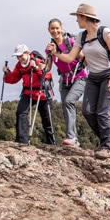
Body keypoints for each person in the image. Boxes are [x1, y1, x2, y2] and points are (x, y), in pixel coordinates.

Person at [47, 3, 110, 159]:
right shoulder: (81, 37)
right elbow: (69, 58)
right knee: (87, 111)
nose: (76, 21)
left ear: (85, 17)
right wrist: (56, 53)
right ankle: (107, 138)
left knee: (102, 111)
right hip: (93, 77)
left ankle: (108, 148)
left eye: (78, 17)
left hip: (108, 74)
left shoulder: (105, 33)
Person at [45, 18, 87, 147]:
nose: (55, 31)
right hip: (64, 80)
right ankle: (73, 139)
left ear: (61, 28)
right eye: (52, 28)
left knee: (69, 102)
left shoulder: (71, 42)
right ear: (48, 30)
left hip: (80, 77)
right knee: (65, 106)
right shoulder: (49, 49)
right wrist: (36, 66)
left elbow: (85, 58)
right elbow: (47, 68)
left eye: (57, 28)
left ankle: (71, 137)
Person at [3, 44, 56, 145]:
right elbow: (14, 78)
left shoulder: (38, 60)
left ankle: (52, 143)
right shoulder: (19, 65)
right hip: (28, 92)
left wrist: (36, 68)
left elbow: (47, 75)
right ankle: (21, 140)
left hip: (42, 93)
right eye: (17, 56)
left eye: (21, 55)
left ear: (27, 53)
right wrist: (7, 73)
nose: (19, 58)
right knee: (21, 112)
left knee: (47, 120)